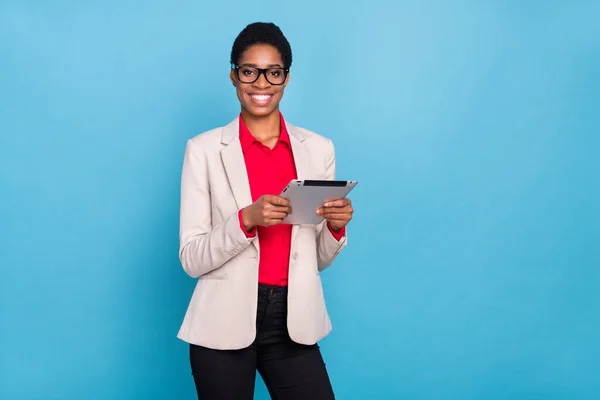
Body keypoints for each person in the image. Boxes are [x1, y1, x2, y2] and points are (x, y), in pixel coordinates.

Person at [177, 22, 354, 400]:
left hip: (293, 321)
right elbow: (191, 259)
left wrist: (335, 229)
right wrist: (246, 221)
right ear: (233, 76)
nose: (261, 84)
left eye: (273, 72)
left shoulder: (318, 149)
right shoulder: (204, 150)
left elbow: (317, 259)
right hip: (222, 323)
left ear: (286, 78)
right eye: (249, 72)